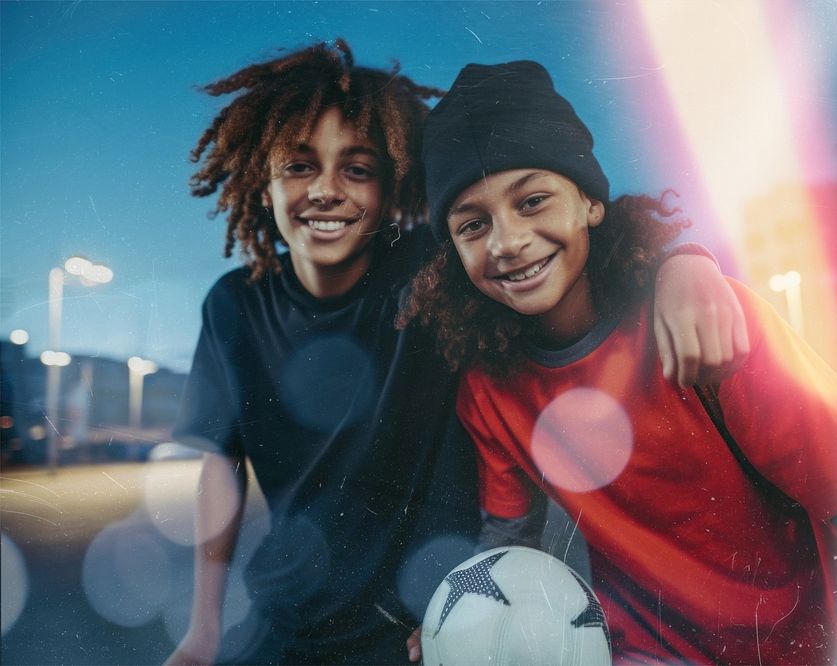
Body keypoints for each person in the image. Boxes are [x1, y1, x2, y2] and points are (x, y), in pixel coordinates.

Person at [166, 42, 748, 665]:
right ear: (263, 180)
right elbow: (219, 468)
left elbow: (573, 252)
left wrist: (684, 261)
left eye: (357, 169)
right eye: (300, 167)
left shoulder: (435, 276)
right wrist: (202, 631)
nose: (327, 190)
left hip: (429, 623)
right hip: (287, 621)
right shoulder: (232, 305)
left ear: (396, 189)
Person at [401, 60, 837, 664]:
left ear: (591, 203)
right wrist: (462, 628)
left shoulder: (710, 321)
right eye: (473, 224)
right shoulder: (487, 387)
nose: (506, 241)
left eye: (533, 200)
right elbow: (506, 547)